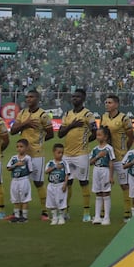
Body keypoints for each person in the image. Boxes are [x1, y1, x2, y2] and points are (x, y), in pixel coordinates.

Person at [9, 89, 53, 220]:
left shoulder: (43, 115)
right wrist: (25, 123)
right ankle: (18, 212)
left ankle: (45, 212)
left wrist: (38, 142)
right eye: (27, 97)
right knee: (20, 182)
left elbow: (50, 134)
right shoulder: (22, 113)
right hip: (22, 155)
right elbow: (12, 131)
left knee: (38, 182)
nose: (28, 99)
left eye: (31, 97)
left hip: (37, 154)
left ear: (37, 99)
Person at [57, 88, 97, 224]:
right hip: (67, 154)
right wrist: (72, 126)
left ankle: (86, 212)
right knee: (67, 182)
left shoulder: (88, 114)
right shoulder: (67, 114)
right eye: (73, 96)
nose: (75, 99)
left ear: (83, 99)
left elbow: (95, 133)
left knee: (83, 182)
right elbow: (60, 134)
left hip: (81, 154)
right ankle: (65, 211)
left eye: (78, 97)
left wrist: (85, 142)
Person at [98, 94, 133, 219]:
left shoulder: (124, 118)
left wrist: (125, 150)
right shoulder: (103, 117)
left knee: (124, 185)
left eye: (110, 102)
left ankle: (127, 213)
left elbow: (131, 136)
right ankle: (103, 213)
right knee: (105, 185)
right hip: (107, 157)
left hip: (120, 157)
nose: (107, 104)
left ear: (116, 104)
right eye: (106, 102)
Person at [89, 127, 115, 225]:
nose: (97, 137)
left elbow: (111, 162)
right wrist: (97, 156)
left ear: (105, 137)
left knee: (106, 193)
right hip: (96, 170)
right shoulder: (95, 149)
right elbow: (90, 162)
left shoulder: (109, 148)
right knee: (98, 193)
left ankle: (106, 217)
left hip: (105, 170)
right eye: (97, 135)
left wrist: (111, 176)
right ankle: (97, 216)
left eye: (100, 135)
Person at [6, 139, 34, 223]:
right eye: (17, 147)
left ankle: (24, 217)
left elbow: (30, 170)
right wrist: (15, 165)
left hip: (24, 180)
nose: (19, 148)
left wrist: (23, 172)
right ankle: (17, 216)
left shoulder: (28, 158)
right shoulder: (14, 158)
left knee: (24, 199)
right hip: (14, 180)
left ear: (26, 148)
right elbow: (8, 168)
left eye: (21, 147)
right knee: (15, 199)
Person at [45, 143, 69, 226]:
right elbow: (46, 171)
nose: (61, 154)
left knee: (61, 201)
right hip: (51, 185)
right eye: (59, 152)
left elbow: (67, 174)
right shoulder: (50, 163)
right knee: (51, 202)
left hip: (60, 184)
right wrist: (55, 167)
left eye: (62, 153)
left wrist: (65, 184)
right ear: (54, 152)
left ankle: (61, 216)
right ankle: (54, 217)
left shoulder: (64, 163)